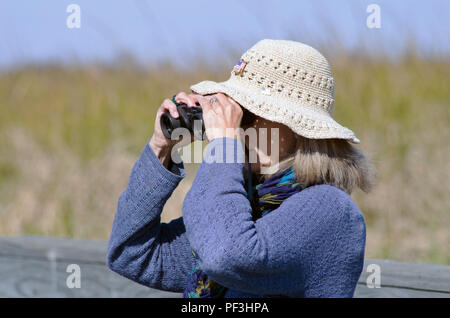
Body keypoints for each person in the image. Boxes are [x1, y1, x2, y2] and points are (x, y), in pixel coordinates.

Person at [107, 39, 375, 297]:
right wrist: (161, 148)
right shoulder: (253, 202)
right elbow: (133, 255)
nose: (237, 125)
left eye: (247, 114)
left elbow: (226, 256)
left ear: (296, 130)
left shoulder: (331, 211)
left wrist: (224, 145)